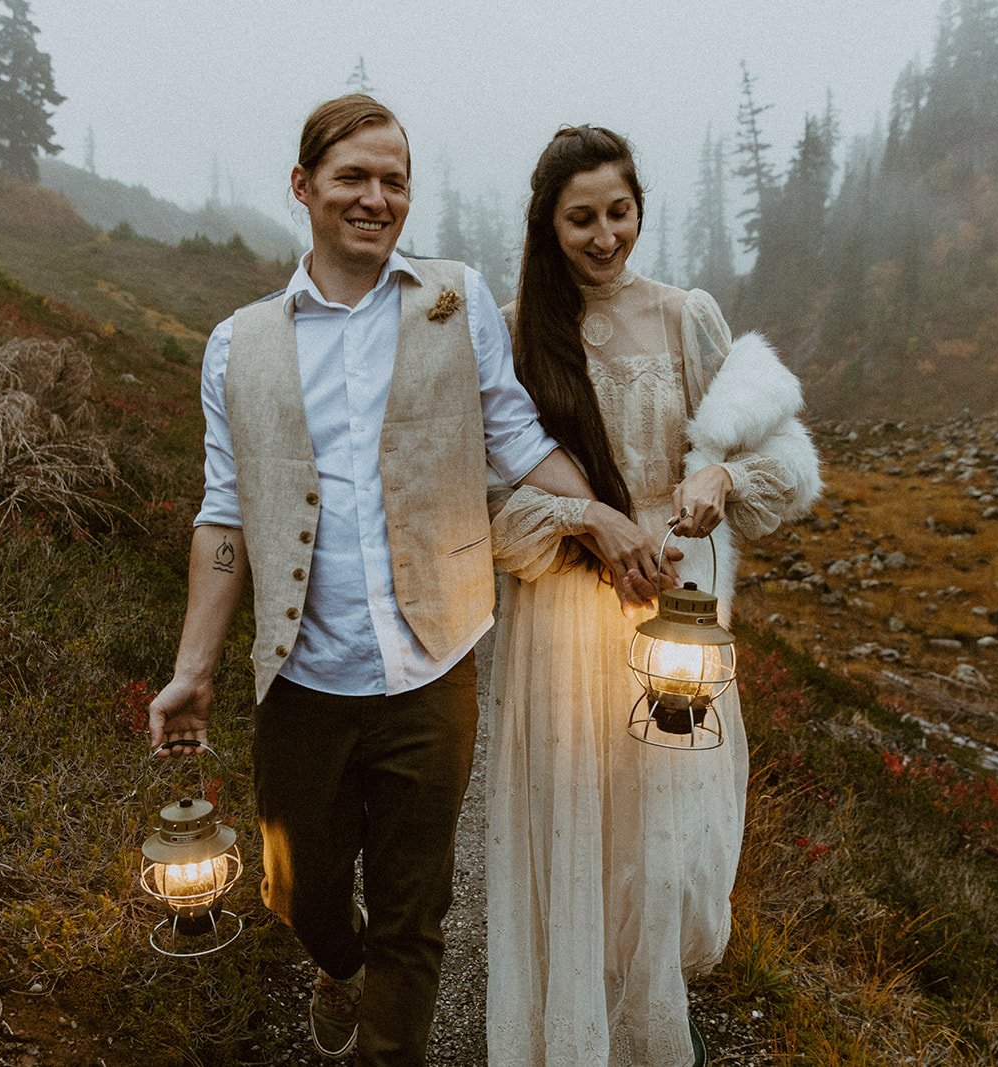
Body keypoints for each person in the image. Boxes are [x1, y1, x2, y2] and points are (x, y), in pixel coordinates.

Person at [146, 97, 665, 1066]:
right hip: (301, 673)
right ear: (303, 188)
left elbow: (515, 441)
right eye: (353, 177)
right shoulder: (239, 343)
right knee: (293, 889)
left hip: (434, 662)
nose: (375, 198)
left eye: (393, 180)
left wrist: (597, 512)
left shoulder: (453, 300)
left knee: (413, 910)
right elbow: (223, 515)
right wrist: (193, 668)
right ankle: (332, 964)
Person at [485, 125, 822, 1066]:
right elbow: (489, 508)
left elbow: (787, 467)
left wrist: (718, 477)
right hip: (563, 613)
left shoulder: (687, 316)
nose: (603, 236)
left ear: (640, 209)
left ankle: (649, 1023)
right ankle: (577, 1038)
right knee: (579, 828)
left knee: (675, 847)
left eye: (618, 212)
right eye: (580, 218)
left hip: (677, 607)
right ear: (548, 224)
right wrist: (586, 521)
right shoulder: (517, 332)